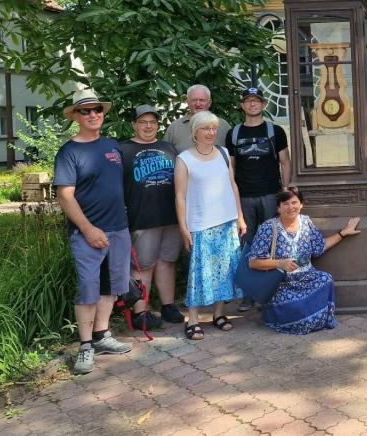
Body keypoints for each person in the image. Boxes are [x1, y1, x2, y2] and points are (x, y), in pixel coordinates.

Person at [54, 89, 132, 375]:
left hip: (119, 229)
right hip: (87, 233)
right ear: (75, 116)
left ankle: (101, 335)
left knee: (111, 285)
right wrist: (87, 229)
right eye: (85, 111)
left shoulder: (112, 146)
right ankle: (85, 345)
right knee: (88, 287)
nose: (92, 114)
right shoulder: (69, 152)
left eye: (96, 109)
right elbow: (65, 196)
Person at [174, 111, 247, 340]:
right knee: (199, 273)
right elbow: (180, 196)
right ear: (195, 131)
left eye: (214, 128)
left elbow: (233, 185)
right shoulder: (184, 159)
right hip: (200, 223)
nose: (211, 133)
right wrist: (183, 227)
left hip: (226, 221)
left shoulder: (223, 153)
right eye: (205, 128)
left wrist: (240, 217)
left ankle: (218, 313)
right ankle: (193, 319)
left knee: (224, 270)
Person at [248, 187, 361, 335]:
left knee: (325, 279)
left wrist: (343, 233)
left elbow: (319, 247)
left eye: (294, 202)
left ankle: (310, 316)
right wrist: (280, 263)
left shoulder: (306, 222)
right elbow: (253, 262)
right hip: (281, 283)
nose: (290, 207)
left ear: (301, 204)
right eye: (285, 204)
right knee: (300, 315)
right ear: (278, 208)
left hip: (307, 277)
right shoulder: (268, 228)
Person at [225, 87, 291, 312]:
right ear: (242, 105)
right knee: (247, 245)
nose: (252, 104)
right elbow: (231, 167)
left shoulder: (275, 131)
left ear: (263, 104)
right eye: (248, 101)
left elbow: (285, 161)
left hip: (270, 194)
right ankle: (248, 294)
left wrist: (285, 190)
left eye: (256, 101)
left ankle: (270, 292)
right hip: (244, 197)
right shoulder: (233, 133)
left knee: (273, 243)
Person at [119, 105, 185, 328]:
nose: (148, 126)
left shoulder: (168, 148)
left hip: (171, 216)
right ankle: (141, 311)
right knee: (143, 265)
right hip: (142, 217)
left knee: (167, 261)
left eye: (153, 122)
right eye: (143, 122)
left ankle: (168, 306)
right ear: (134, 125)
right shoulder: (123, 150)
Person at [165, 84, 231, 153]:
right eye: (194, 100)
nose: (198, 104)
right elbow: (165, 154)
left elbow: (232, 155)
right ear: (188, 102)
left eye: (202, 100)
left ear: (209, 103)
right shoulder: (175, 127)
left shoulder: (223, 125)